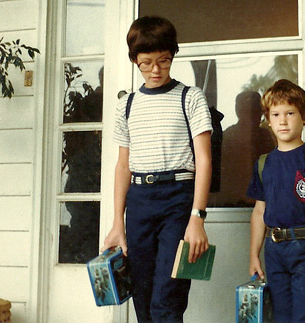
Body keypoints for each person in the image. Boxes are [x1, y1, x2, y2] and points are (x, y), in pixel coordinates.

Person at [100, 16, 212, 323]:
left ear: (173, 56)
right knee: (143, 298)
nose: (156, 70)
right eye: (146, 63)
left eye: (163, 61)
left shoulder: (191, 98)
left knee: (167, 297)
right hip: (139, 201)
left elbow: (203, 159)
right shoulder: (127, 105)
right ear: (135, 60)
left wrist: (197, 217)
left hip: (178, 199)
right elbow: (123, 165)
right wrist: (117, 223)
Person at [247, 79, 305, 322]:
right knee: (281, 316)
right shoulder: (263, 163)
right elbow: (259, 212)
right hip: (275, 249)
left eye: (290, 113)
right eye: (276, 114)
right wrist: (254, 254)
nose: (283, 120)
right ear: (268, 120)